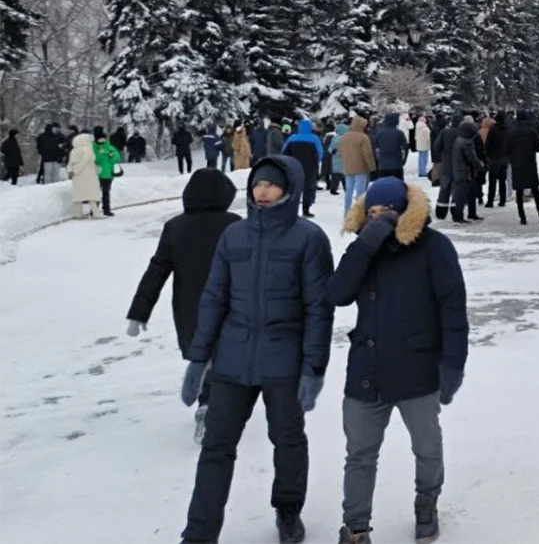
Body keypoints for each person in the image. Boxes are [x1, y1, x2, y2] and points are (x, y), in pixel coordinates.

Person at [178, 157, 334, 544]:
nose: (262, 191)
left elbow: (319, 309)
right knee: (216, 448)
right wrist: (199, 359)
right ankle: (198, 534)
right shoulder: (234, 236)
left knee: (288, 440)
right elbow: (214, 298)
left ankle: (287, 510)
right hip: (233, 358)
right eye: (257, 184)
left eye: (271, 184)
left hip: (284, 360)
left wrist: (314, 368)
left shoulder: (309, 238)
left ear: (289, 189)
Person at [330, 177, 468, 543]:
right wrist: (365, 245)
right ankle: (356, 527)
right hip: (367, 369)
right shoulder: (363, 249)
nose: (379, 220)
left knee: (426, 446)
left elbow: (453, 309)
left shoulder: (434, 248)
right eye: (371, 214)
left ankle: (427, 500)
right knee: (359, 453)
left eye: (387, 213)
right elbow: (338, 293)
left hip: (417, 367)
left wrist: (453, 363)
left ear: (405, 212)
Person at [125, 169, 240, 442]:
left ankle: (206, 403)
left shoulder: (176, 227)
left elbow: (157, 270)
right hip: (230, 305)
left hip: (190, 307)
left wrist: (138, 312)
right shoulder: (235, 225)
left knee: (203, 356)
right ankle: (214, 406)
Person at [507, 111, 539, 226]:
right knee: (535, 190)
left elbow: (507, 148)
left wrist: (512, 158)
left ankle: (522, 217)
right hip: (529, 163)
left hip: (517, 164)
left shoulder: (512, 132)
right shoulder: (531, 131)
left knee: (519, 192)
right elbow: (538, 147)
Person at [282, 119, 325, 218]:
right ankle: (306, 210)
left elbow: (284, 152)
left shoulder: (292, 138)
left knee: (294, 189)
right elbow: (320, 153)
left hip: (293, 168)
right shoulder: (315, 139)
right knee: (308, 189)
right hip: (309, 168)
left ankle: (292, 209)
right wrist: (316, 163)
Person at [450, 116, 486, 223]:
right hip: (466, 172)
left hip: (459, 170)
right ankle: (458, 216)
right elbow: (472, 158)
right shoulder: (467, 142)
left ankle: (471, 213)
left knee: (471, 192)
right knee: (462, 195)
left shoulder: (459, 139)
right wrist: (480, 166)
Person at [340, 116, 376, 213]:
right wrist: (372, 166)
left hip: (347, 167)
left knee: (349, 190)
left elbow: (340, 152)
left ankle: (347, 211)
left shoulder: (344, 137)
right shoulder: (363, 137)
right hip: (361, 168)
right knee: (360, 192)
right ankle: (359, 211)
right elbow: (367, 154)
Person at [67, 131, 101, 217]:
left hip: (77, 176)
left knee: (78, 193)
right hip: (88, 174)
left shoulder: (74, 150)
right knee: (91, 193)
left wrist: (71, 171)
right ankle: (96, 212)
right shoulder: (87, 149)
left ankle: (78, 213)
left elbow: (70, 163)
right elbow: (86, 160)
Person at [91, 126, 122, 217]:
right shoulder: (93, 148)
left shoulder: (110, 148)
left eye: (103, 139)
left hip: (108, 174)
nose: (101, 141)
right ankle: (94, 209)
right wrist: (100, 155)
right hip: (96, 174)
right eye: (100, 139)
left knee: (106, 192)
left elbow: (117, 159)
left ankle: (106, 209)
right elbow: (94, 160)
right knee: (95, 192)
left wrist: (111, 156)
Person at [371, 112, 409, 181]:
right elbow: (405, 148)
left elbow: (375, 148)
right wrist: (403, 161)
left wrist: (378, 160)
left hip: (383, 165)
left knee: (384, 187)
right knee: (398, 186)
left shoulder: (380, 133)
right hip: (396, 164)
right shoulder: (399, 133)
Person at [485, 114, 510, 207]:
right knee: (502, 181)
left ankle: (490, 201)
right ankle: (502, 200)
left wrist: (488, 155)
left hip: (494, 158)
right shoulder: (507, 129)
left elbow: (488, 143)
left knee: (492, 181)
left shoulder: (493, 129)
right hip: (504, 158)